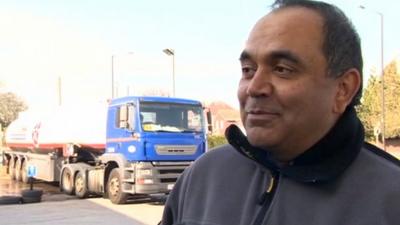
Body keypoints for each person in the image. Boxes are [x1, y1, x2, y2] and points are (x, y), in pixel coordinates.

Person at [160, 0, 400, 224]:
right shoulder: (204, 176)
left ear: (343, 89)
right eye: (247, 69)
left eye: (282, 69)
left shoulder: (390, 199)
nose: (254, 87)